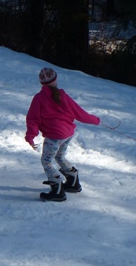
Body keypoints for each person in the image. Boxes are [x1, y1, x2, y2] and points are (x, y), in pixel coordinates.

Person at [25, 67, 100, 202]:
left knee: (47, 161)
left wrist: (30, 135)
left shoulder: (39, 98)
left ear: (41, 83)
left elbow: (32, 119)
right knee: (59, 156)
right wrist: (95, 120)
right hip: (67, 134)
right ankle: (73, 182)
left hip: (54, 136)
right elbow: (80, 113)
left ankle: (57, 190)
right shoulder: (63, 96)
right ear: (56, 80)